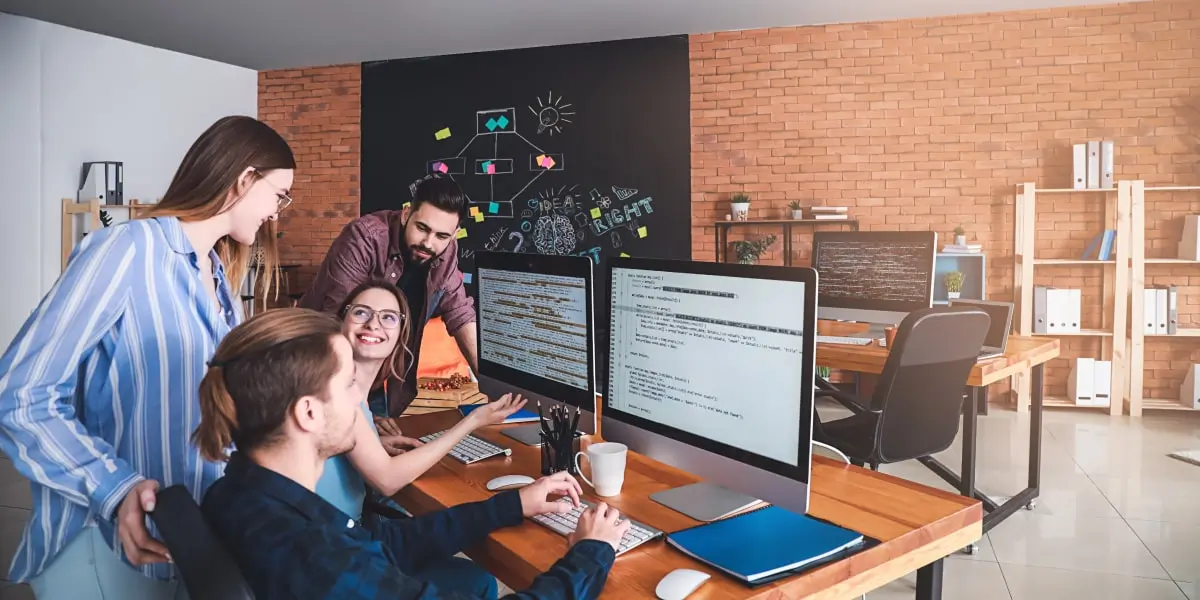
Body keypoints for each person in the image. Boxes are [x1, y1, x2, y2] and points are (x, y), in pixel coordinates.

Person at [0, 115, 295, 599]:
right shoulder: (127, 250)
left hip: (184, 539)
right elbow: (21, 393)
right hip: (107, 546)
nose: (278, 212)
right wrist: (113, 488)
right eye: (278, 194)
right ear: (245, 178)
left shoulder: (218, 274)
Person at [195, 308, 629, 600]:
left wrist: (512, 504)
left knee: (472, 580)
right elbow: (359, 560)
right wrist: (591, 552)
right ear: (308, 412)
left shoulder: (242, 493)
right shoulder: (326, 564)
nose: (360, 400)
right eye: (349, 383)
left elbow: (383, 544)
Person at [315, 279, 527, 521]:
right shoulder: (338, 389)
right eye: (361, 312)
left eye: (388, 317)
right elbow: (387, 480)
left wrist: (373, 443)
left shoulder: (355, 394)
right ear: (341, 321)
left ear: (401, 334)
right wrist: (473, 421)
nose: (373, 324)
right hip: (330, 542)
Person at [299, 174, 477, 418]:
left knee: (383, 440)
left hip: (381, 376)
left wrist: (495, 388)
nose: (428, 243)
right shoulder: (365, 237)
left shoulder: (445, 252)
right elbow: (338, 321)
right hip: (321, 365)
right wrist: (358, 411)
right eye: (422, 228)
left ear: (454, 234)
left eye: (441, 236)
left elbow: (460, 313)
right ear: (406, 214)